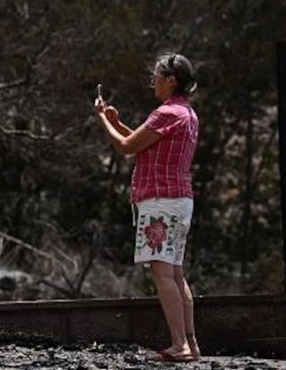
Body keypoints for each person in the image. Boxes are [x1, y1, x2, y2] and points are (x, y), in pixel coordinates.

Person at [95, 53, 200, 362]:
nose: (153, 82)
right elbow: (143, 143)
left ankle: (179, 344)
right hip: (180, 199)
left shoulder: (166, 113)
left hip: (160, 201)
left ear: (171, 81)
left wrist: (101, 119)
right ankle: (190, 344)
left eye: (156, 76)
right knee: (177, 274)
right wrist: (118, 122)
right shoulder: (187, 114)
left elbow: (126, 147)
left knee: (162, 273)